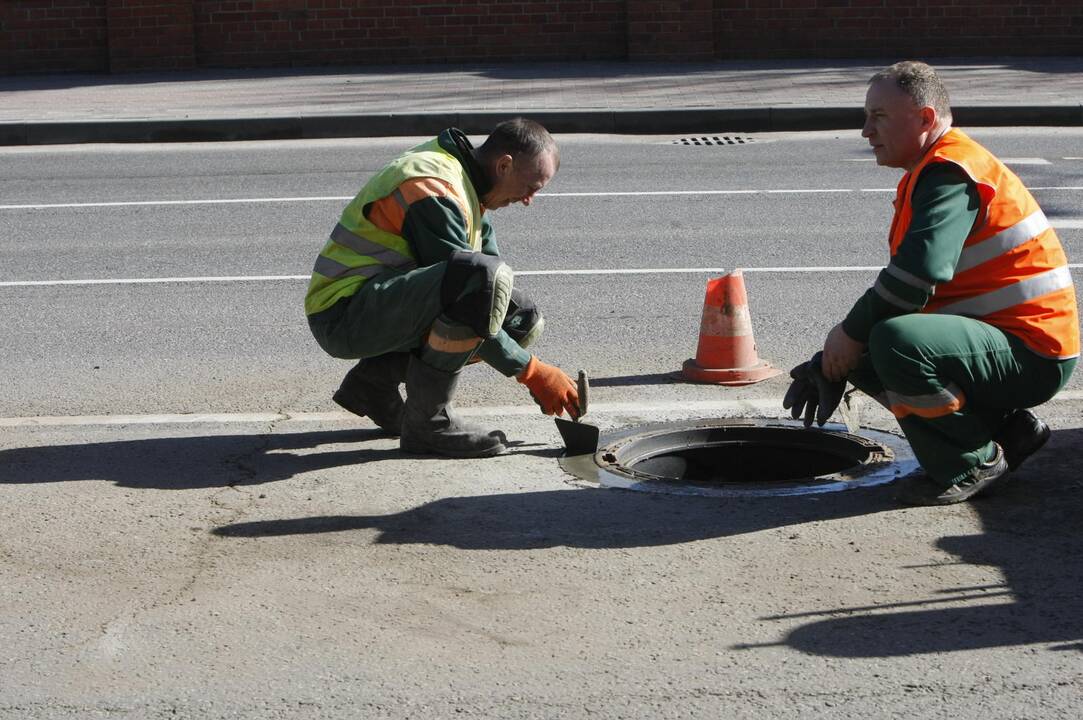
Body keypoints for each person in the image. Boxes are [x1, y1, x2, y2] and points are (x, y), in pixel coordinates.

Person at [784, 61, 1078, 505]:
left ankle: (973, 459)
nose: (866, 131)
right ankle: (1007, 430)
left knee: (893, 342)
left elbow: (914, 280)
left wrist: (847, 335)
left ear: (925, 118)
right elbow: (915, 291)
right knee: (867, 350)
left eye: (878, 116)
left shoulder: (949, 171)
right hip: (1009, 343)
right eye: (866, 117)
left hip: (1033, 353)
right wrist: (831, 359)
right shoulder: (931, 170)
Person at [304, 118, 580, 458]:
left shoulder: (471, 186)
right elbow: (471, 291)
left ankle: (373, 383)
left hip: (381, 302)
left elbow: (491, 292)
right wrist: (533, 372)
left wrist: (532, 367)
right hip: (343, 314)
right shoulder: (435, 188)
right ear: (505, 165)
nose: (529, 200)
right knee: (476, 286)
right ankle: (428, 426)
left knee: (520, 318)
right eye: (533, 187)